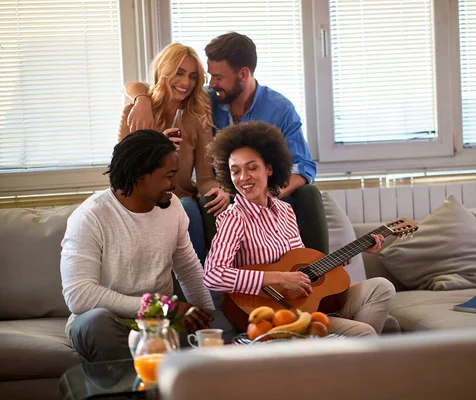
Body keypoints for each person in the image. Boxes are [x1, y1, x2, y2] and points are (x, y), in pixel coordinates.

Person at [124, 32, 329, 255]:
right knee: (209, 203)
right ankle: (221, 285)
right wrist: (141, 100)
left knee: (309, 194)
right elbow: (153, 85)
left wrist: (263, 196)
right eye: (209, 76)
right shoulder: (205, 101)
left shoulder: (279, 109)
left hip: (270, 193)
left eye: (218, 77)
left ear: (243, 74)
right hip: (227, 193)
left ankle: (321, 272)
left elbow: (304, 168)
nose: (211, 84)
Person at [204, 121, 395, 336]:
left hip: (305, 301)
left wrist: (354, 250)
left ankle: (331, 344)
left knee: (382, 287)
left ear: (269, 168)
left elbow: (302, 265)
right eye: (235, 171)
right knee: (364, 332)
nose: (243, 178)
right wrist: (280, 278)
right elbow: (213, 275)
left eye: (252, 167)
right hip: (269, 310)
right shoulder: (234, 218)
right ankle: (337, 341)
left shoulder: (285, 211)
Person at [60, 130, 233, 362]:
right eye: (169, 175)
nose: (175, 184)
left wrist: (205, 318)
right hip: (111, 322)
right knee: (96, 324)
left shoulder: (173, 208)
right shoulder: (91, 216)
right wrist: (162, 306)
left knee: (222, 326)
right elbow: (78, 295)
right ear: (141, 175)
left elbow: (189, 269)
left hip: (159, 322)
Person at [119, 43, 230, 263]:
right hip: (144, 200)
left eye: (192, 76)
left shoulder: (197, 116)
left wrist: (221, 190)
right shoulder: (137, 112)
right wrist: (157, 151)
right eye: (179, 73)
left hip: (182, 199)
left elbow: (206, 178)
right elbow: (122, 175)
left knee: (204, 206)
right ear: (164, 71)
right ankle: (196, 287)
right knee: (186, 207)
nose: (186, 82)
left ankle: (213, 284)